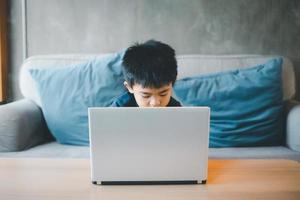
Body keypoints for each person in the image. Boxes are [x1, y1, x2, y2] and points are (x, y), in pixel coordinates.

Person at [110, 39, 181, 107]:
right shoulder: (119, 107)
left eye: (163, 94)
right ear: (129, 87)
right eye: (146, 96)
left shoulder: (176, 108)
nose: (155, 103)